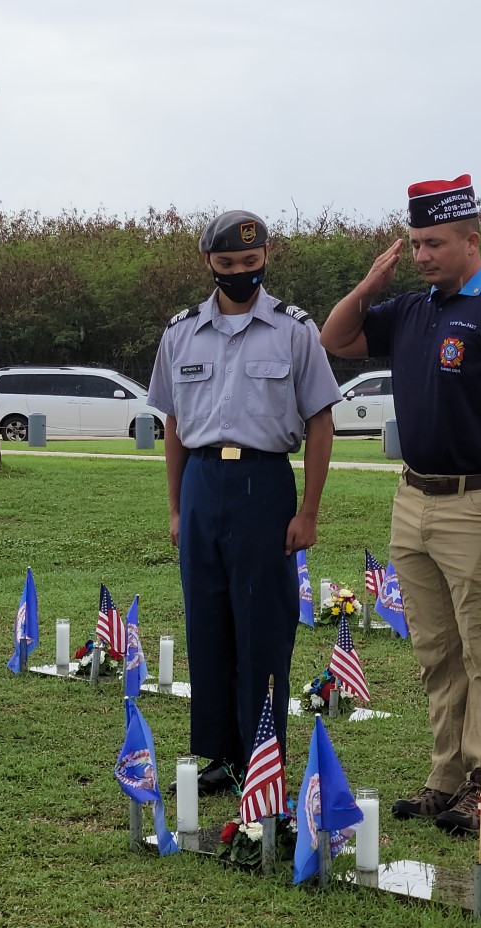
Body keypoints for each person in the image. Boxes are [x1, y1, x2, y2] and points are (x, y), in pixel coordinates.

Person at [320, 175, 481, 837]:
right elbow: (333, 339)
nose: (423, 255)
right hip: (416, 497)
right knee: (437, 650)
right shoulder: (415, 308)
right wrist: (371, 286)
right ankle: (447, 778)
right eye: (416, 243)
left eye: (435, 243)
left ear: (471, 241)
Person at [146, 210, 341, 795]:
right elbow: (174, 425)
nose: (239, 273)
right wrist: (178, 510)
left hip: (264, 484)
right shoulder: (180, 333)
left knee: (263, 622)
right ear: (208, 262)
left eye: (250, 264)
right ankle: (218, 754)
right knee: (207, 621)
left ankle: (262, 752)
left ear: (266, 258)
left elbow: (321, 421)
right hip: (204, 482)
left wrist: (308, 512)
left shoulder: (294, 329)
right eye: (227, 264)